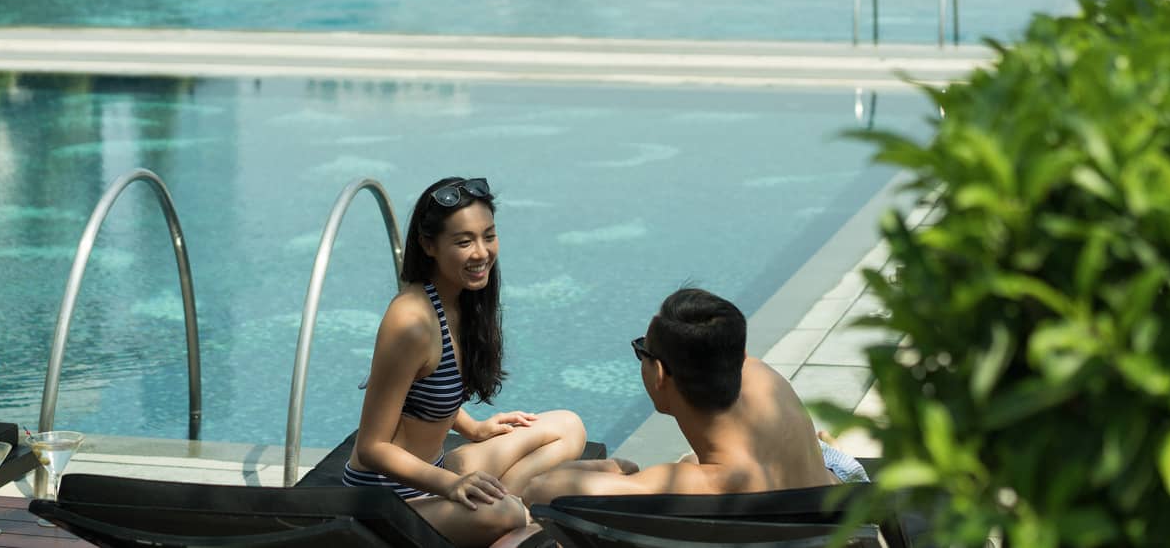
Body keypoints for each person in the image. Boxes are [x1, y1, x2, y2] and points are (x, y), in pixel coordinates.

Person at [344, 176, 587, 547]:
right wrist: (453, 485)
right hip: (387, 500)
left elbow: (421, 390)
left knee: (569, 426)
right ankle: (516, 508)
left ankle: (514, 504)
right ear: (429, 245)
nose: (481, 252)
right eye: (463, 241)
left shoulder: (460, 301)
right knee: (505, 514)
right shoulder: (410, 322)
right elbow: (372, 448)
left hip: (435, 474)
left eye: (488, 236)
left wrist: (474, 429)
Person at [523, 288, 866, 505]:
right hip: (837, 498)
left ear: (659, 375)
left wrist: (611, 467)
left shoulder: (702, 484)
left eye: (642, 350)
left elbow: (538, 490)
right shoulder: (767, 379)